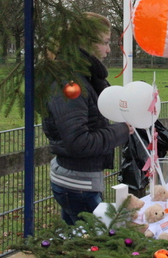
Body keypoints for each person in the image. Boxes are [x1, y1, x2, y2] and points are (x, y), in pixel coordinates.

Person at [43, 12, 134, 225]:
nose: (109, 49)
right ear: (87, 43)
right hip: (77, 184)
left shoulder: (84, 77)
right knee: (94, 247)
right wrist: (122, 131)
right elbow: (78, 141)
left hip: (80, 180)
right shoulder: (70, 84)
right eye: (104, 43)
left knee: (77, 242)